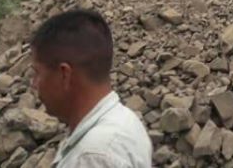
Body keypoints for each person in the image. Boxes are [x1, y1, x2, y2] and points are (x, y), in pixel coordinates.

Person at [30, 9, 152, 167]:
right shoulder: (125, 119)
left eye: (37, 73)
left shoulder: (94, 156)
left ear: (64, 75)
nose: (34, 84)